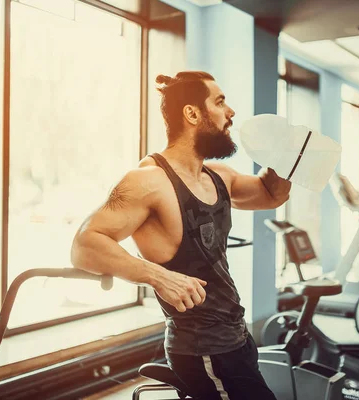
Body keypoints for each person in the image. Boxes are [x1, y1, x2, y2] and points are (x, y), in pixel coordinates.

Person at [71, 71, 291, 399]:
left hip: (236, 338)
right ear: (192, 113)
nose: (230, 112)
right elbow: (85, 244)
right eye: (220, 102)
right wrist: (159, 277)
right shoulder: (149, 181)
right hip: (204, 350)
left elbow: (271, 194)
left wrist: (283, 152)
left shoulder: (217, 176)